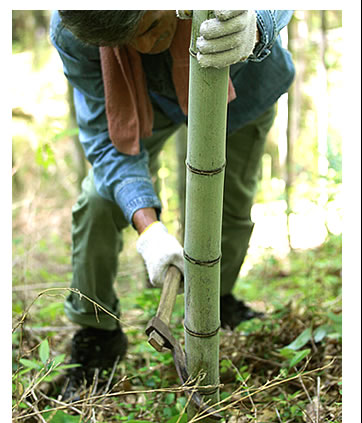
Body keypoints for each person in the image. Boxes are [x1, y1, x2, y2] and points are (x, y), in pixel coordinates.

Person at [50, 10, 295, 399]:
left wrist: (258, 23)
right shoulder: (73, 31)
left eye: (146, 28)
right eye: (129, 41)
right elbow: (104, 141)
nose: (145, 45)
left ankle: (217, 303)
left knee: (228, 210)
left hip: (242, 86)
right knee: (98, 200)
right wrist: (149, 230)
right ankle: (96, 335)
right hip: (141, 98)